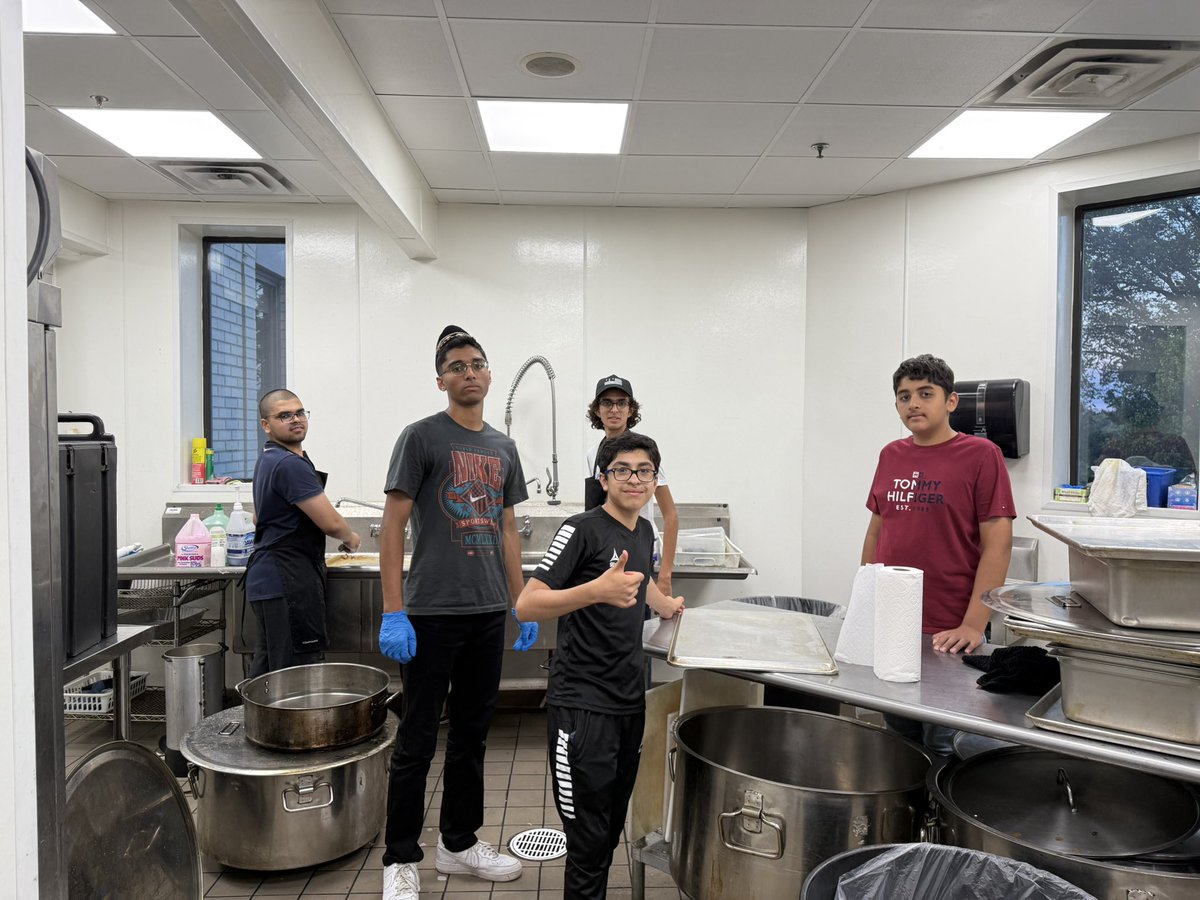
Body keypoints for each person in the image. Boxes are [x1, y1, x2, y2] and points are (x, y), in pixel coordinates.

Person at [376, 325, 538, 900]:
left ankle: (459, 844)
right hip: (431, 612)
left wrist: (521, 602)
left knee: (472, 735)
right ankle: (400, 858)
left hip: (488, 609)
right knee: (418, 737)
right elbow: (393, 525)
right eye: (457, 366)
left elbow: (509, 528)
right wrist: (395, 611)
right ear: (441, 379)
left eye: (477, 364)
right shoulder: (421, 437)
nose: (469, 373)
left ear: (489, 374)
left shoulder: (502, 447)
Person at [516, 431, 685, 900]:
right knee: (588, 845)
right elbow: (528, 604)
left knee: (609, 831)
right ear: (603, 478)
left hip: (629, 704)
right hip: (581, 710)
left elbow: (642, 578)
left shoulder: (644, 529)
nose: (635, 479)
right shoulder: (581, 529)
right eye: (623, 470)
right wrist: (595, 591)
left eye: (645, 471)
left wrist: (665, 604)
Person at [861, 354, 1015, 756]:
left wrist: (972, 625)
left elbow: (998, 543)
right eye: (903, 396)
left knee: (947, 745)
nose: (913, 403)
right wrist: (866, 601)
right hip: (894, 625)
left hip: (950, 629)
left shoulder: (982, 455)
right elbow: (877, 528)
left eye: (925, 394)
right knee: (899, 740)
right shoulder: (890, 455)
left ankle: (941, 819)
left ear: (951, 401)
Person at [245, 389, 361, 677]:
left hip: (270, 578)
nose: (295, 419)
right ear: (266, 425)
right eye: (284, 415)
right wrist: (351, 538)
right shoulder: (289, 464)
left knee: (269, 670)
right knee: (295, 676)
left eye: (299, 413)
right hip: (288, 580)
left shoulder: (270, 458)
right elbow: (331, 523)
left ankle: (257, 723)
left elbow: (259, 516)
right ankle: (287, 724)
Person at [584, 374, 679, 597]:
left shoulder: (643, 454)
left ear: (631, 410)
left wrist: (665, 576)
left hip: (639, 548)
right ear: (597, 410)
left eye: (621, 403)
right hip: (606, 549)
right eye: (607, 403)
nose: (614, 409)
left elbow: (671, 515)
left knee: (639, 623)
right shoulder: (592, 454)